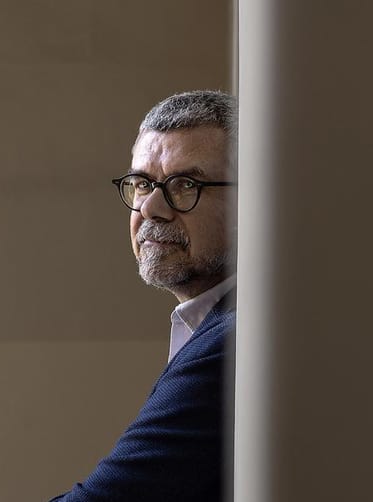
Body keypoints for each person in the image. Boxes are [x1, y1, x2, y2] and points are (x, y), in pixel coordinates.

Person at [50, 90, 238, 502]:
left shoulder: (235, 339)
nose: (151, 208)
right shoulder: (217, 321)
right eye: (141, 184)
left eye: (185, 184)